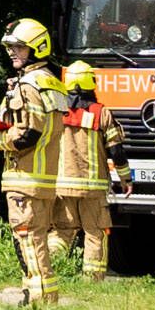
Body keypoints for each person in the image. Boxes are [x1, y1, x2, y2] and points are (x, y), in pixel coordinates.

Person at [0, 16, 68, 306]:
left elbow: (28, 133)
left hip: (25, 177)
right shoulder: (52, 83)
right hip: (44, 177)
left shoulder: (29, 85)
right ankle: (38, 295)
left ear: (37, 48)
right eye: (10, 47)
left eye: (19, 47)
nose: (13, 52)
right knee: (35, 237)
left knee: (28, 239)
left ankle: (39, 299)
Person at [59, 67, 117, 281]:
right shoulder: (101, 113)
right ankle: (92, 278)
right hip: (93, 186)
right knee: (96, 232)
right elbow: (116, 149)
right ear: (90, 83)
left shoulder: (57, 112)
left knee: (61, 232)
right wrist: (126, 178)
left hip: (62, 185)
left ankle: (52, 267)